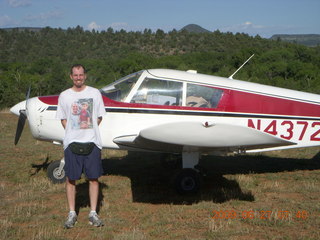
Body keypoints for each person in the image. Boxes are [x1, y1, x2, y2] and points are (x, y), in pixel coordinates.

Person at [56, 64, 105, 228]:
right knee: (71, 179)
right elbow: (63, 119)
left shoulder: (95, 93)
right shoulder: (64, 96)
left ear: (85, 76)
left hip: (92, 141)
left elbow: (99, 117)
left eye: (81, 75)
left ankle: (93, 213)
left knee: (93, 179)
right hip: (71, 143)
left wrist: (87, 129)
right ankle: (71, 213)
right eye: (75, 75)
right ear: (71, 76)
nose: (78, 78)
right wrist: (73, 132)